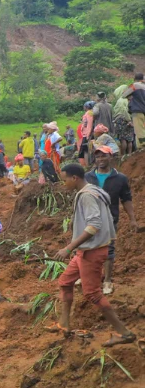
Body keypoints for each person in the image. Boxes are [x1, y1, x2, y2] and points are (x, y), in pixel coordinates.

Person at [49, 164, 137, 347]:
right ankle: (63, 324)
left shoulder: (87, 196)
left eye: (65, 179)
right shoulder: (93, 190)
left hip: (92, 251)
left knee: (93, 294)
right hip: (86, 250)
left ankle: (124, 333)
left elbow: (93, 225)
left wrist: (68, 248)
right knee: (65, 282)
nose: (63, 183)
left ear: (75, 178)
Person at [84, 146, 138, 295]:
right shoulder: (88, 177)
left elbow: (126, 199)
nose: (100, 159)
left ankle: (107, 281)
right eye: (98, 157)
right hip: (89, 218)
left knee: (108, 249)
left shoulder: (120, 178)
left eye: (104, 156)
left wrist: (132, 219)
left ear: (111, 157)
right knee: (88, 247)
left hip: (110, 218)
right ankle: (89, 276)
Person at [112, 84, 136, 155]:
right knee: (130, 139)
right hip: (131, 120)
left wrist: (128, 120)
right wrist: (130, 120)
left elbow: (124, 110)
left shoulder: (121, 100)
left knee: (123, 139)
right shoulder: (129, 99)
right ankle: (129, 154)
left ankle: (123, 154)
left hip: (122, 120)